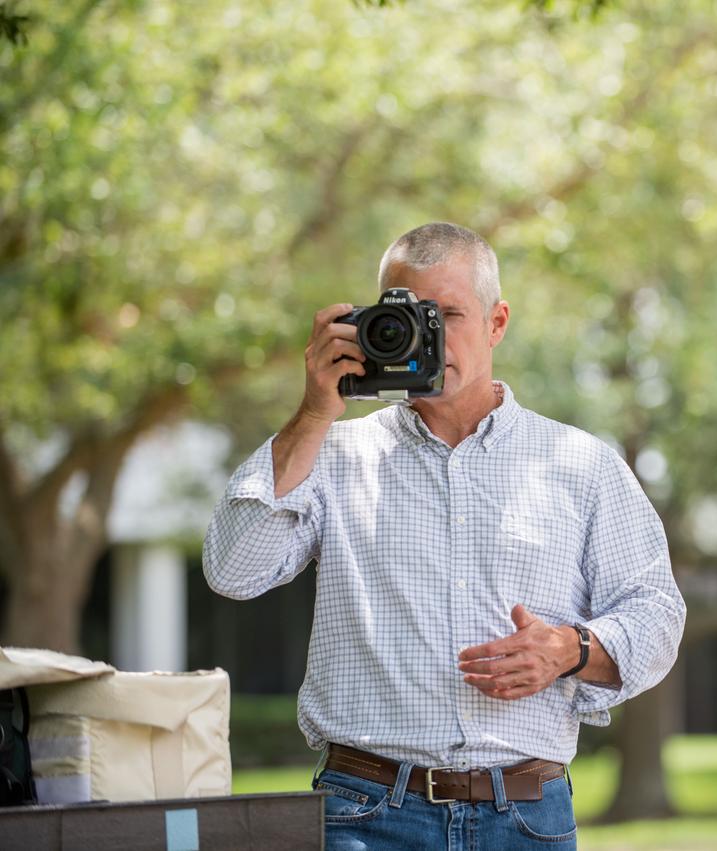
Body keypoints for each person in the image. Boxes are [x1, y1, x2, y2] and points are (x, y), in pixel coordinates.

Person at [204, 222, 686, 850]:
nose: (429, 335)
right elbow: (234, 570)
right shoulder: (332, 453)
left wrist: (571, 648)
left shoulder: (582, 464)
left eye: (450, 314)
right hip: (363, 818)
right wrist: (316, 410)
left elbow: (658, 614)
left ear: (497, 322)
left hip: (527, 819)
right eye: (406, 316)